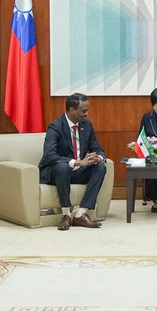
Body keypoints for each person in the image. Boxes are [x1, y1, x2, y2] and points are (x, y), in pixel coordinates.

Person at [39, 93, 107, 231]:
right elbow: (49, 155)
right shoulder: (55, 126)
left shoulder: (86, 125)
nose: (87, 114)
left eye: (87, 110)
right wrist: (77, 162)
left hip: (76, 172)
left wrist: (97, 157)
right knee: (62, 167)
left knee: (100, 167)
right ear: (71, 110)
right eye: (83, 111)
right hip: (56, 172)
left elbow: (98, 149)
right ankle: (66, 215)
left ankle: (81, 214)